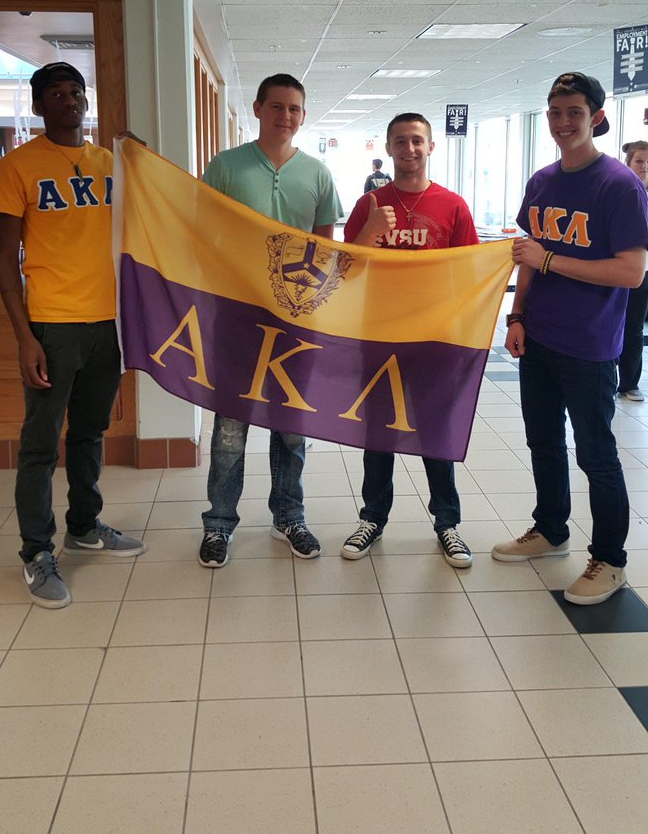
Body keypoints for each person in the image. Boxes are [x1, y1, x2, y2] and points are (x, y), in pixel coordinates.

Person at [0, 62, 146, 609]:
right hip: (52, 325)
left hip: (107, 322)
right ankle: (37, 551)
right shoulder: (18, 165)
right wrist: (24, 337)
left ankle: (84, 525)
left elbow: (150, 218)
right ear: (38, 106)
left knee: (89, 432)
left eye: (76, 92)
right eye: (56, 94)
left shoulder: (109, 163)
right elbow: (5, 258)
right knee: (40, 444)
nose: (69, 100)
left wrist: (142, 163)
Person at [492, 72, 648, 605]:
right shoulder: (542, 181)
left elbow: (631, 272)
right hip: (538, 337)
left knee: (596, 455)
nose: (563, 123)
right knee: (542, 441)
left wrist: (550, 259)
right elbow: (526, 254)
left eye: (574, 113)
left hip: (589, 345)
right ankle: (551, 528)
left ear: (597, 118)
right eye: (556, 113)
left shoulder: (619, 186)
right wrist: (516, 316)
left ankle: (610, 559)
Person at [199, 73, 343, 567]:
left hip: (295, 321)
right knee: (230, 428)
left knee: (291, 428)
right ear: (258, 108)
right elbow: (203, 234)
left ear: (303, 115)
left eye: (294, 109)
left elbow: (323, 248)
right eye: (277, 106)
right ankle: (219, 523)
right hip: (236, 318)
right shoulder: (225, 167)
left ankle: (289, 517)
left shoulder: (318, 174)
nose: (286, 116)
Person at [340, 112, 477, 567]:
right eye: (401, 141)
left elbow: (469, 273)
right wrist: (369, 233)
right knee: (378, 431)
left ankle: (447, 523)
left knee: (434, 429)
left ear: (431, 146)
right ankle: (373, 517)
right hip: (378, 334)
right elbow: (346, 270)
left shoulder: (452, 205)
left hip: (432, 338)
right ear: (389, 148)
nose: (409, 149)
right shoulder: (369, 204)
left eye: (417, 140)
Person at [617, 140, 648, 401]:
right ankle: (606, 378)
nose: (645, 166)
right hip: (616, 270)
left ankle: (629, 383)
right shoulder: (620, 192)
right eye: (640, 161)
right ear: (629, 163)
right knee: (611, 323)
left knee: (634, 329)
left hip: (643, 273)